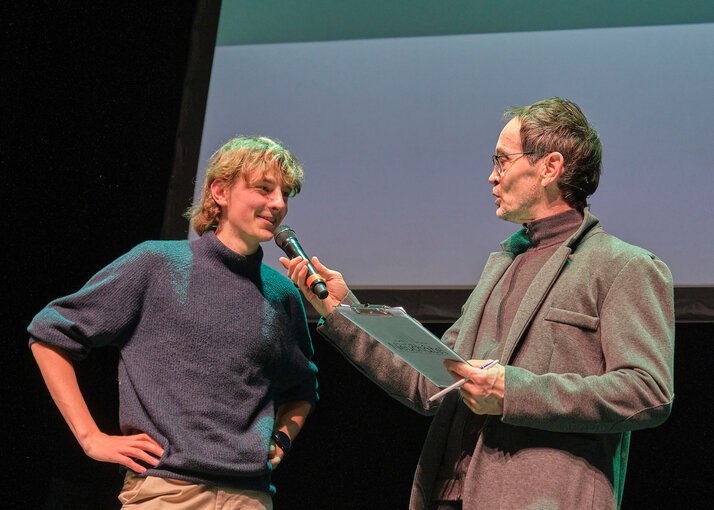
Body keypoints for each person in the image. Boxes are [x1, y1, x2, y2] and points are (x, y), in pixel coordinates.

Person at [281, 98, 674, 510]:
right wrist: (341, 312)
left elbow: (647, 391)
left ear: (550, 167)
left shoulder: (623, 266)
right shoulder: (503, 265)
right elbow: (431, 380)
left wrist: (513, 392)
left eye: (502, 160)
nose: (492, 175)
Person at [29, 136, 318, 509]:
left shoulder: (282, 293)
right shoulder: (156, 264)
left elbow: (302, 388)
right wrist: (90, 438)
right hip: (166, 492)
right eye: (264, 189)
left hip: (250, 496)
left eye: (285, 194)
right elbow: (50, 333)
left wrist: (281, 439)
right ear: (220, 191)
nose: (278, 203)